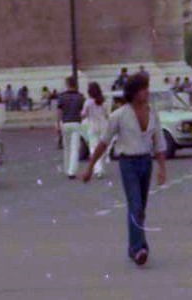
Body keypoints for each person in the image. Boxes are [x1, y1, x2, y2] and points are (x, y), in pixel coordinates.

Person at [81, 73, 165, 266]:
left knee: (140, 208)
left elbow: (158, 142)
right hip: (128, 162)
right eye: (143, 88)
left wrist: (162, 168)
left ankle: (135, 245)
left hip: (146, 160)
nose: (147, 92)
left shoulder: (152, 113)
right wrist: (90, 167)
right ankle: (138, 249)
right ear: (134, 92)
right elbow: (104, 142)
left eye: (147, 87)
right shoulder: (119, 115)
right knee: (135, 205)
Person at [57, 76, 86, 172]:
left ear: (67, 84)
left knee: (67, 147)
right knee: (75, 148)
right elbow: (83, 112)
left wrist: (58, 124)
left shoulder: (62, 97)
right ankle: (72, 170)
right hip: (76, 122)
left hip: (65, 122)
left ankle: (66, 167)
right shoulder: (80, 97)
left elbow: (59, 112)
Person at [81, 81, 109, 179]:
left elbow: (83, 114)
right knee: (102, 148)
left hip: (92, 126)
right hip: (103, 126)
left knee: (93, 148)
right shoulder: (103, 101)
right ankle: (100, 168)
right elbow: (107, 115)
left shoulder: (88, 102)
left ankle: (98, 169)